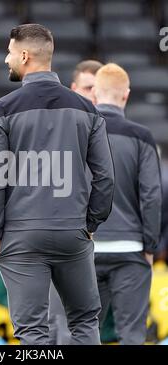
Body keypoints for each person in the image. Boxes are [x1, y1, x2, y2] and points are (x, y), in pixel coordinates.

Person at [0, 24, 115, 345]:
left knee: (32, 332)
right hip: (74, 232)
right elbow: (105, 176)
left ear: (25, 55)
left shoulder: (2, 109)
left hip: (21, 235)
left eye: (11, 52)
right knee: (84, 322)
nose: (6, 59)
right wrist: (90, 223)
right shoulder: (88, 109)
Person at [92, 63, 162, 344]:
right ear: (126, 95)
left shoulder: (78, 132)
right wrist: (149, 245)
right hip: (131, 249)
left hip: (86, 249)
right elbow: (152, 196)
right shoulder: (142, 137)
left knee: (84, 332)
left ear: (95, 93)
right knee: (132, 334)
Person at [48, 59, 103, 345]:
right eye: (87, 88)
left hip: (109, 244)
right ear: (73, 89)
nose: (94, 94)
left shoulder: (123, 133)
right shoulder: (54, 134)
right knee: (60, 324)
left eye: (99, 89)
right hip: (69, 239)